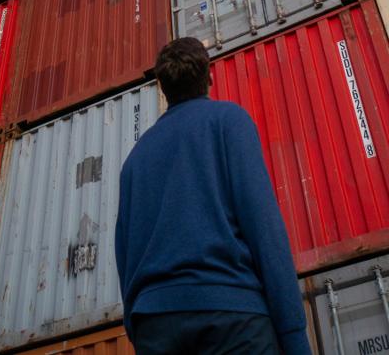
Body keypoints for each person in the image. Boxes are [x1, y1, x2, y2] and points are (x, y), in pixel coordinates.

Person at [115, 37, 311, 355]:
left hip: (155, 327)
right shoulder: (229, 121)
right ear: (209, 76)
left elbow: (125, 258)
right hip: (233, 319)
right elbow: (264, 229)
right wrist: (294, 334)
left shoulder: (134, 161)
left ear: (162, 88)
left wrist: (141, 329)